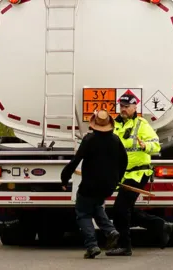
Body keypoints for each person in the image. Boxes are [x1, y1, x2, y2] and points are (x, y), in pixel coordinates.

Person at [106, 93, 173, 256]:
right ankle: (159, 225)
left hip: (138, 173)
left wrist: (145, 146)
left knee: (120, 209)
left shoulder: (141, 124)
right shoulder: (114, 125)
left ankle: (125, 246)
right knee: (125, 210)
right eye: (121, 106)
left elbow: (156, 145)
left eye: (127, 106)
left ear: (135, 107)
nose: (123, 109)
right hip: (122, 174)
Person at [61, 110, 127, 259]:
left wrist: (64, 178)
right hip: (107, 186)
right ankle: (110, 231)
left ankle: (92, 246)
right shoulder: (116, 140)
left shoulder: (89, 140)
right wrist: (118, 179)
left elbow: (76, 161)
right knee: (96, 206)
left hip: (89, 185)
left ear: (94, 125)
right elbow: (124, 161)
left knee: (83, 214)